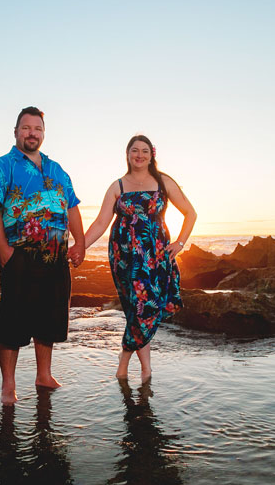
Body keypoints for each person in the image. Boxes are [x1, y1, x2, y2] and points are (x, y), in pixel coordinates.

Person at [0, 106, 85, 405]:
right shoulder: (0, 167)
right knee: (13, 322)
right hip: (20, 255)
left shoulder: (57, 169)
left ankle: (43, 375)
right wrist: (5, 252)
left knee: (49, 319)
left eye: (37, 129)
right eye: (26, 128)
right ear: (15, 132)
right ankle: (8, 385)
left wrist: (80, 243)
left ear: (43, 133)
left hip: (56, 257)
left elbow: (72, 207)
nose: (32, 133)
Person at [84, 135, 196, 382]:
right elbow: (101, 222)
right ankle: (146, 369)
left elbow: (190, 213)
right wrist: (79, 247)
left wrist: (179, 243)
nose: (140, 155)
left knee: (145, 307)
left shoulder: (163, 182)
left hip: (154, 257)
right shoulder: (118, 186)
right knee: (134, 309)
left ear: (151, 155)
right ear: (127, 154)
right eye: (135, 150)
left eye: (145, 151)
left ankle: (124, 360)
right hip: (123, 257)